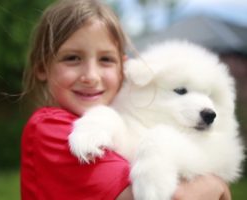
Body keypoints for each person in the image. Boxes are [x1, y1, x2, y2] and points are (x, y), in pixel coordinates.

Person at [20, 0, 231, 199]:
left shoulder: (121, 121)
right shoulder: (49, 127)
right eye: (72, 58)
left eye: (105, 60)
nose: (91, 76)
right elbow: (173, 196)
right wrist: (217, 185)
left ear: (123, 68)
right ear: (41, 68)